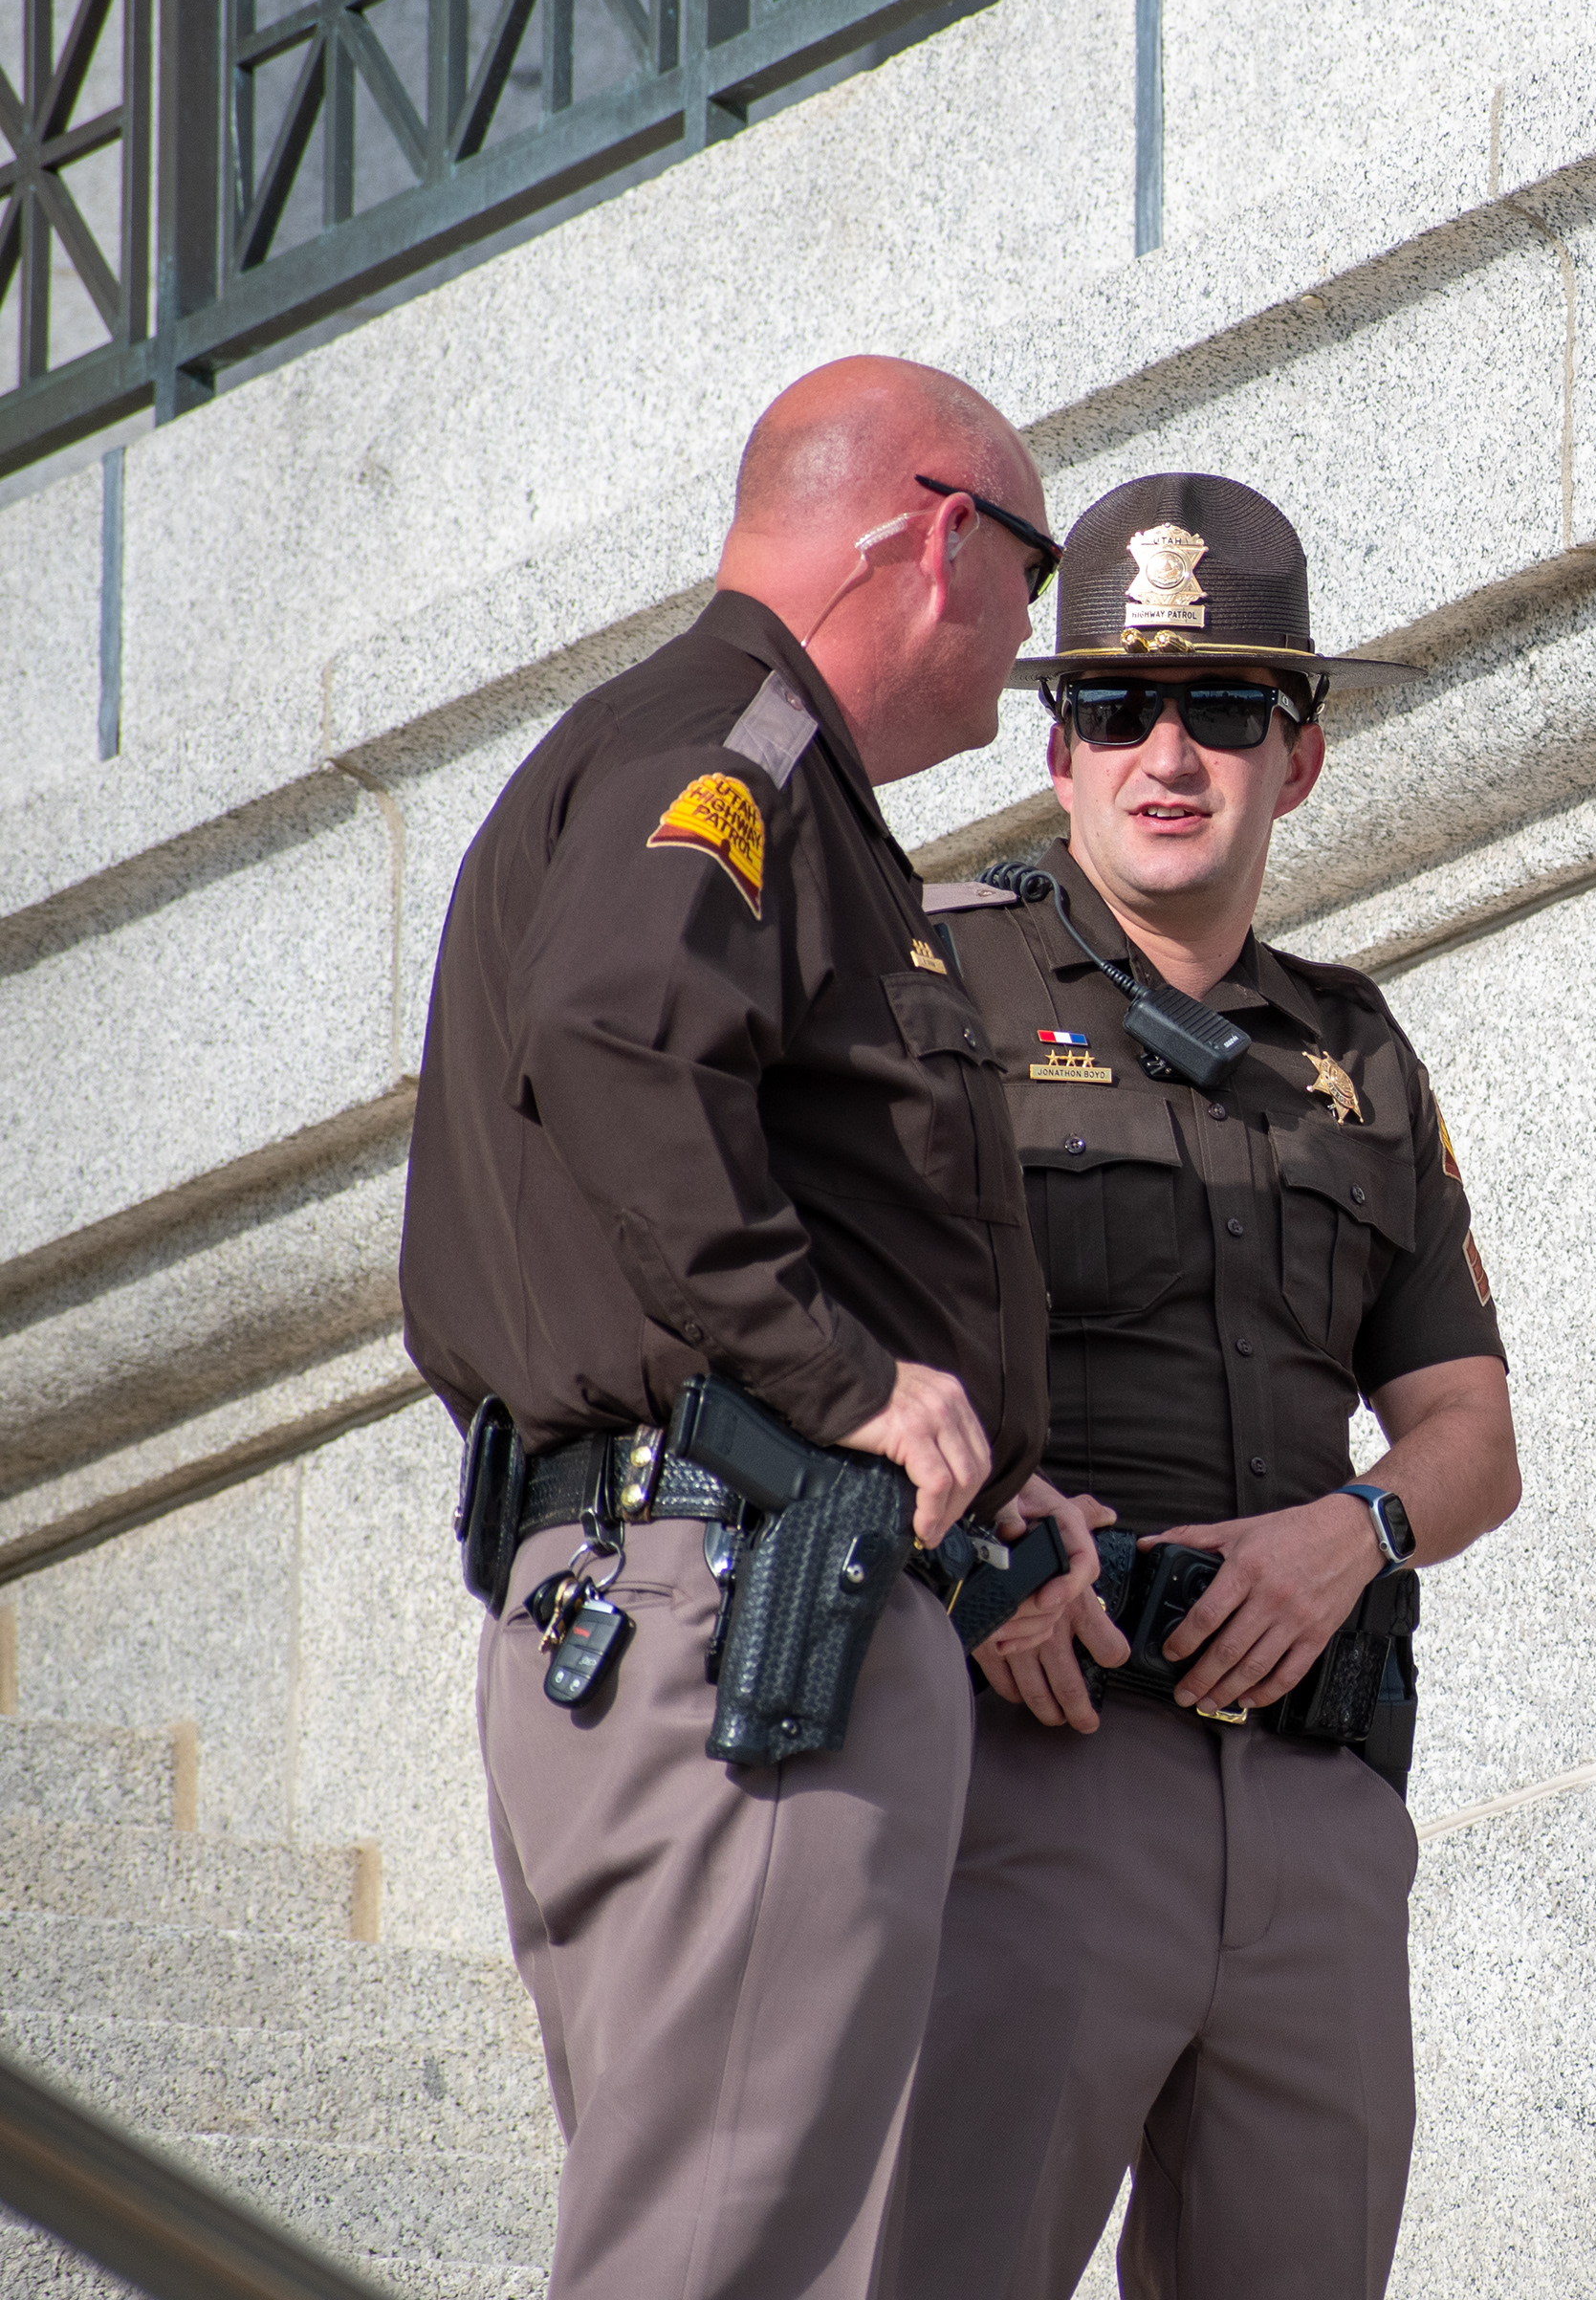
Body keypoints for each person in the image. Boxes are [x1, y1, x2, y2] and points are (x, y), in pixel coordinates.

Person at [403, 357, 1109, 2299]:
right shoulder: (740, 740)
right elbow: (622, 1036)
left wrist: (983, 1480)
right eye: (1035, 576)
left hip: (675, 1585)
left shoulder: (707, 753)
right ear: (940, 528)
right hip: (740, 1600)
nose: (1030, 642)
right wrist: (853, 1382)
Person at [892, 473, 1520, 2300]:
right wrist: (970, 1526)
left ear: (1300, 757)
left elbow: (1472, 1432)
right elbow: (813, 1319)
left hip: (1317, 1800)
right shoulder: (926, 984)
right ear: (1062, 748)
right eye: (1117, 706)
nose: (1172, 750)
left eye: (1228, 709)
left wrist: (1361, 1531)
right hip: (1032, 1746)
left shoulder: (1355, 1046)